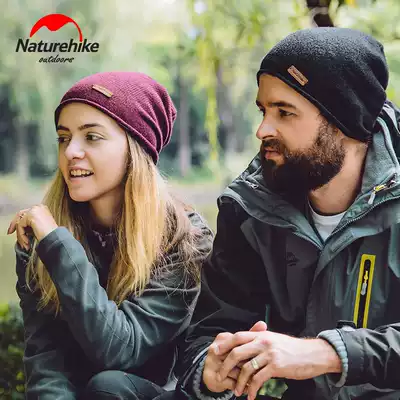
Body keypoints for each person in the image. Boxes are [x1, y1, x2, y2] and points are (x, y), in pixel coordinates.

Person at [175, 28, 400, 400]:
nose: (263, 129)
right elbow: (208, 333)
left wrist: (328, 354)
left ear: (343, 120)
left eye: (284, 112)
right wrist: (210, 370)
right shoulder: (250, 209)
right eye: (263, 110)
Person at [7, 71, 213, 400]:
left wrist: (58, 247)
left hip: (155, 393)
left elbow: (120, 349)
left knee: (109, 386)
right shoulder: (40, 234)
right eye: (63, 138)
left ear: (135, 148)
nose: (71, 151)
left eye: (92, 137)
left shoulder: (185, 238)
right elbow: (47, 360)